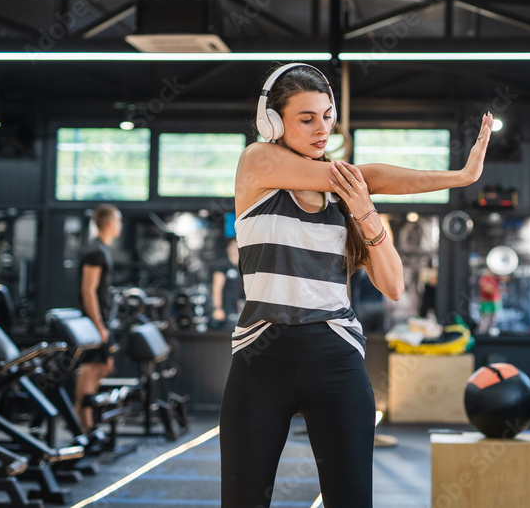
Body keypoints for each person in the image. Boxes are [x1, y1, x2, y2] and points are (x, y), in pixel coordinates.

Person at [220, 63, 492, 508]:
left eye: (327, 116)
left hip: (335, 356)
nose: (321, 128)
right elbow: (364, 175)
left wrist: (367, 214)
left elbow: (393, 286)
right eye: (306, 118)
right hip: (261, 356)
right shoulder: (258, 162)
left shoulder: (348, 197)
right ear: (272, 121)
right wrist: (455, 178)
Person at [74, 203, 122, 432]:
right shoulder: (95, 251)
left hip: (102, 319)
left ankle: (87, 418)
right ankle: (83, 422)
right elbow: (88, 290)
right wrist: (98, 325)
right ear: (111, 223)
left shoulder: (102, 249)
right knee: (90, 367)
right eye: (119, 221)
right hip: (93, 321)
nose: (120, 225)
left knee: (103, 366)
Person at [211, 238, 245, 328]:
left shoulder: (244, 267)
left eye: (238, 247)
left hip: (240, 308)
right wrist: (217, 308)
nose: (236, 250)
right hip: (226, 308)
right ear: (228, 248)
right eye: (234, 247)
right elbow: (216, 289)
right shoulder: (223, 265)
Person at [477, 267, 504, 334]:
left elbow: (506, 278)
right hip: (486, 301)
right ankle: (482, 331)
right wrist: (499, 291)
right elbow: (487, 289)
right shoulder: (484, 279)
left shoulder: (495, 278)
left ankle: (490, 330)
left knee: (494, 317)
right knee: (485, 317)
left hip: (495, 301)